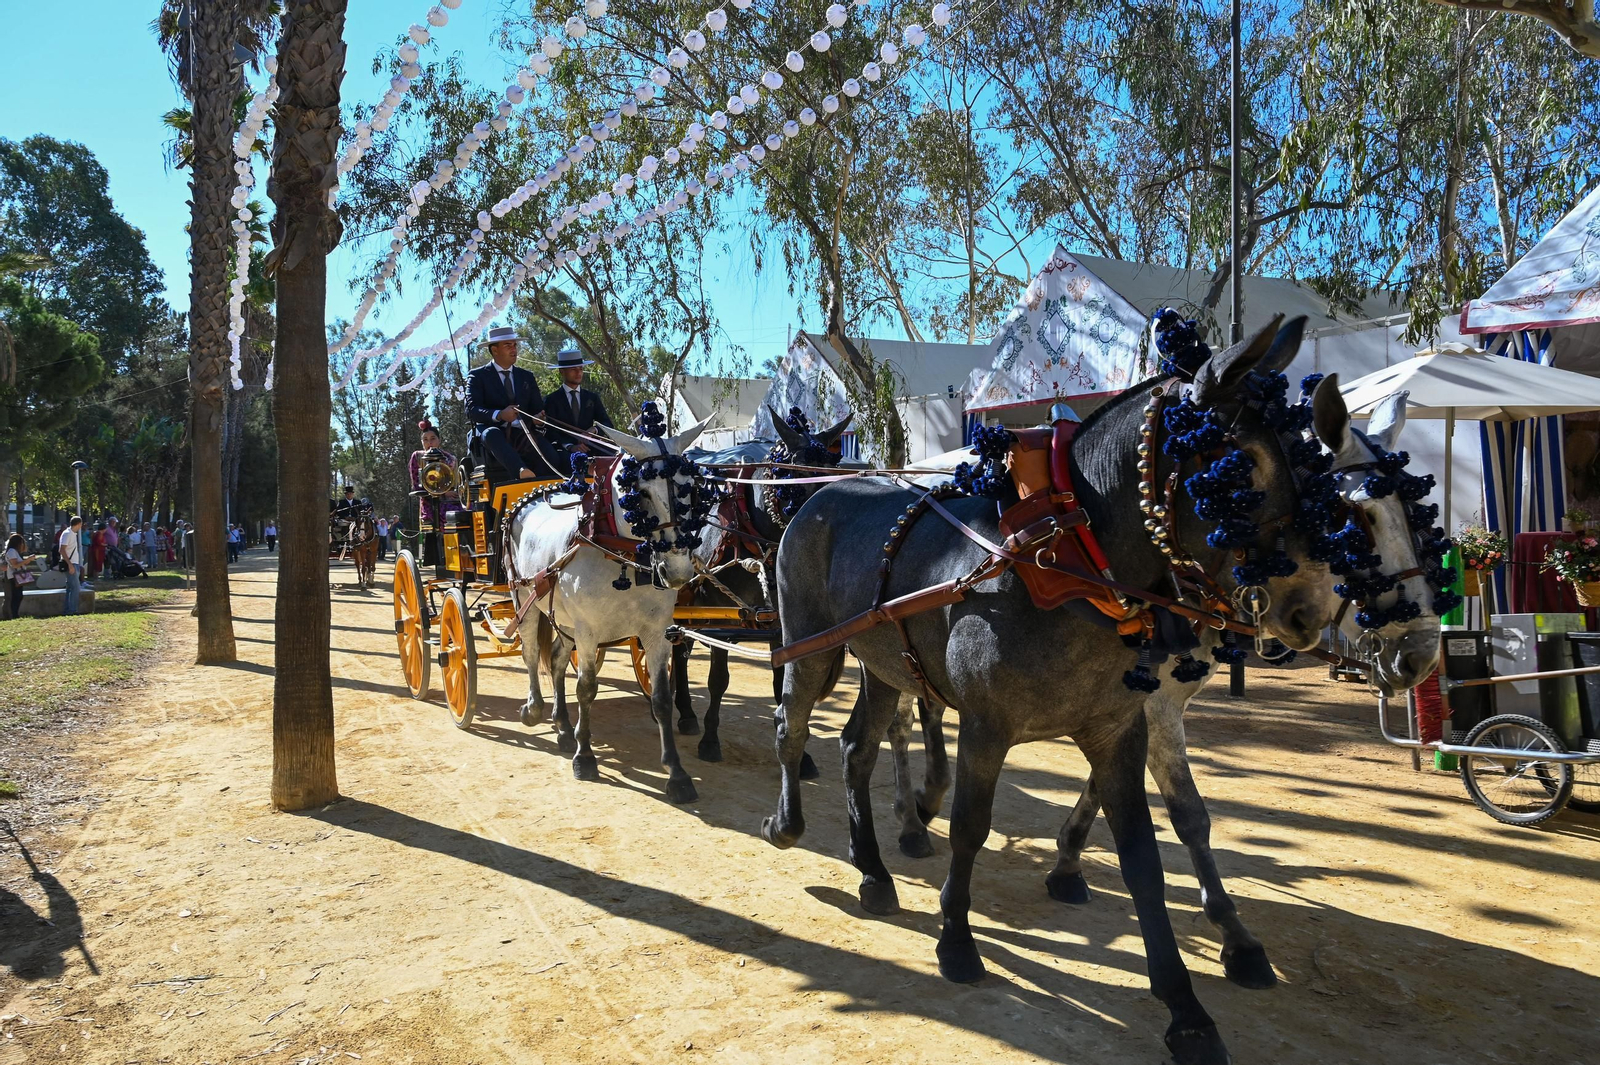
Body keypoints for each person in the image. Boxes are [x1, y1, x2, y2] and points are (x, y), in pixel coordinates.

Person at [467, 324, 547, 480]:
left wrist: (539, 420)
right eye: (508, 345)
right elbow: (472, 410)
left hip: (524, 434)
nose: (514, 349)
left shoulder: (526, 377)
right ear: (494, 350)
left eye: (515, 345)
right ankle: (521, 472)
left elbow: (538, 409)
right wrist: (500, 415)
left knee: (550, 453)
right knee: (492, 433)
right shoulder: (477, 376)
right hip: (492, 435)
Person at [541, 343, 615, 474]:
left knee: (614, 457)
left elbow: (607, 423)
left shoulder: (592, 397)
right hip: (564, 452)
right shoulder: (551, 400)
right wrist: (571, 447)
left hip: (591, 448)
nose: (578, 373)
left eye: (580, 369)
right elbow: (551, 431)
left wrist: (595, 430)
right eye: (573, 369)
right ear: (562, 371)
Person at [410, 419, 459, 566]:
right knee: (438, 517)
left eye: (432, 439)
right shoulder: (417, 457)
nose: (429, 442)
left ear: (439, 440)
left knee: (462, 515)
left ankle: (459, 554)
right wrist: (441, 493)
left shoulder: (450, 458)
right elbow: (416, 483)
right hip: (428, 501)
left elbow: (453, 482)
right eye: (425, 440)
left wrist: (448, 493)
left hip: (448, 499)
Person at [4, 533, 39, 621]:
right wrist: (27, 560)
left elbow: (19, 563)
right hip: (14, 576)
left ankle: (15, 614)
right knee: (16, 596)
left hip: (16, 576)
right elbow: (15, 565)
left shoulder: (14, 551)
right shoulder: (11, 551)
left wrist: (28, 560)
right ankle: (14, 615)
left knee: (18, 596)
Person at [57, 516, 84, 616]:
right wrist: (70, 565)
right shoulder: (68, 534)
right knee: (76, 588)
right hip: (71, 565)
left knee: (70, 589)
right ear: (78, 524)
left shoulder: (71, 534)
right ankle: (72, 610)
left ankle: (68, 609)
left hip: (73, 564)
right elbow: (62, 549)